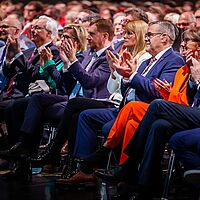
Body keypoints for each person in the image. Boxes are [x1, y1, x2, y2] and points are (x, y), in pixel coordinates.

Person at [60, 21, 185, 185]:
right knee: (94, 117)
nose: (146, 38)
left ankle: (102, 155)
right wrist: (121, 74)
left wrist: (132, 75)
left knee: (116, 117)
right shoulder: (148, 61)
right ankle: (124, 176)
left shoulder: (173, 60)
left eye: (150, 35)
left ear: (164, 38)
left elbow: (158, 92)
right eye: (146, 35)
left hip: (152, 111)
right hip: (129, 110)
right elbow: (125, 88)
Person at [32, 20, 151, 176]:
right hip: (97, 101)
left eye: (129, 33)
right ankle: (76, 165)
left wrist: (71, 61)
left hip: (112, 103)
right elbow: (112, 86)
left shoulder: (138, 58)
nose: (124, 36)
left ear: (105, 36)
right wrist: (67, 63)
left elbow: (90, 83)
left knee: (76, 106)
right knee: (70, 112)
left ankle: (59, 154)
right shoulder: (91, 55)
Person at [96, 27, 200, 200]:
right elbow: (179, 101)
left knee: (156, 106)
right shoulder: (184, 69)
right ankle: (146, 186)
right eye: (181, 42)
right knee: (158, 125)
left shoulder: (180, 64)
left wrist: (198, 82)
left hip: (193, 114)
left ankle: (128, 164)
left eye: (186, 43)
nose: (181, 46)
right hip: (186, 114)